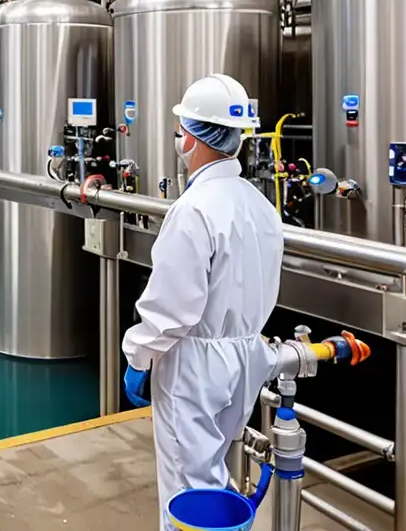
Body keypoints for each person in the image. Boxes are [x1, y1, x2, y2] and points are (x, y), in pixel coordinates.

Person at [120, 73, 283, 530]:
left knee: (187, 486)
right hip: (246, 355)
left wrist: (138, 355)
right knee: (216, 471)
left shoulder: (194, 209)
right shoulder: (259, 204)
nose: (179, 138)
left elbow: (172, 307)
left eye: (182, 129)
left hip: (194, 361)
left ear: (191, 137)